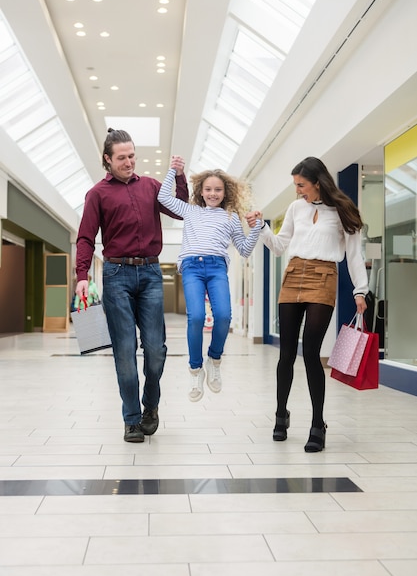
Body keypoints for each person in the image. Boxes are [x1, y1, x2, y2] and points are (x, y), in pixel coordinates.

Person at [246, 156, 368, 452]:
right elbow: (278, 246)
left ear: (317, 182)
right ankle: (280, 416)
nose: (298, 190)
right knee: (286, 352)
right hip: (292, 275)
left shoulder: (342, 211)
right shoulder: (295, 208)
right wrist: (261, 227)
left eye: (301, 185)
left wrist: (360, 290)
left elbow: (353, 254)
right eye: (296, 185)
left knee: (311, 353)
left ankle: (317, 424)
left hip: (323, 277)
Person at [75, 128, 189, 443]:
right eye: (122, 158)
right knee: (124, 351)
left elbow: (180, 209)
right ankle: (131, 419)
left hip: (151, 273)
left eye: (132, 156)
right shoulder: (97, 194)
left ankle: (150, 405)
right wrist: (82, 276)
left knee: (156, 349)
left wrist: (179, 176)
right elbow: (86, 237)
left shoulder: (152, 186)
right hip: (115, 275)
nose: (129, 162)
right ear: (107, 160)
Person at [158, 166, 261, 401]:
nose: (213, 193)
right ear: (201, 192)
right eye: (208, 189)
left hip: (216, 268)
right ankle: (196, 369)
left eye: (218, 189)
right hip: (192, 267)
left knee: (224, 316)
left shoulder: (231, 217)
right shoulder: (191, 210)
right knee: (195, 317)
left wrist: (256, 229)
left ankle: (214, 359)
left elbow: (244, 250)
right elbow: (163, 197)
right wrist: (173, 171)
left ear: (226, 193)